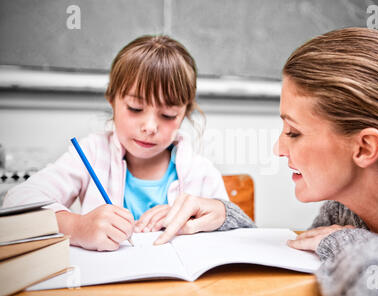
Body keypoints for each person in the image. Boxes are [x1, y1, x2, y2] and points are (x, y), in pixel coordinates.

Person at [154, 28, 378, 296]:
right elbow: (296, 254)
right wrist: (225, 218)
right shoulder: (344, 211)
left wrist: (346, 241)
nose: (278, 149)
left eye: (293, 132)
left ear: (364, 147)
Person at [2, 35, 253, 252]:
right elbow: (16, 202)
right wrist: (77, 227)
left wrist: (221, 214)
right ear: (112, 99)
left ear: (185, 113)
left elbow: (243, 237)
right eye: (135, 108)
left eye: (168, 115)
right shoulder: (90, 155)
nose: (150, 127)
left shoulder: (200, 172)